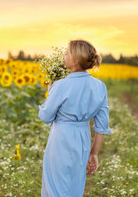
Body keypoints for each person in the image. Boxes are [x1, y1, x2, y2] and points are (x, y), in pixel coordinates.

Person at [38, 39, 112, 197]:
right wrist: (94, 154)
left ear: (76, 59)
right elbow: (101, 127)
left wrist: (51, 92)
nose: (63, 56)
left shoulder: (60, 85)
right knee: (75, 185)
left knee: (55, 186)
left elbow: (45, 116)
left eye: (66, 53)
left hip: (61, 139)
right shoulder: (100, 87)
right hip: (82, 139)